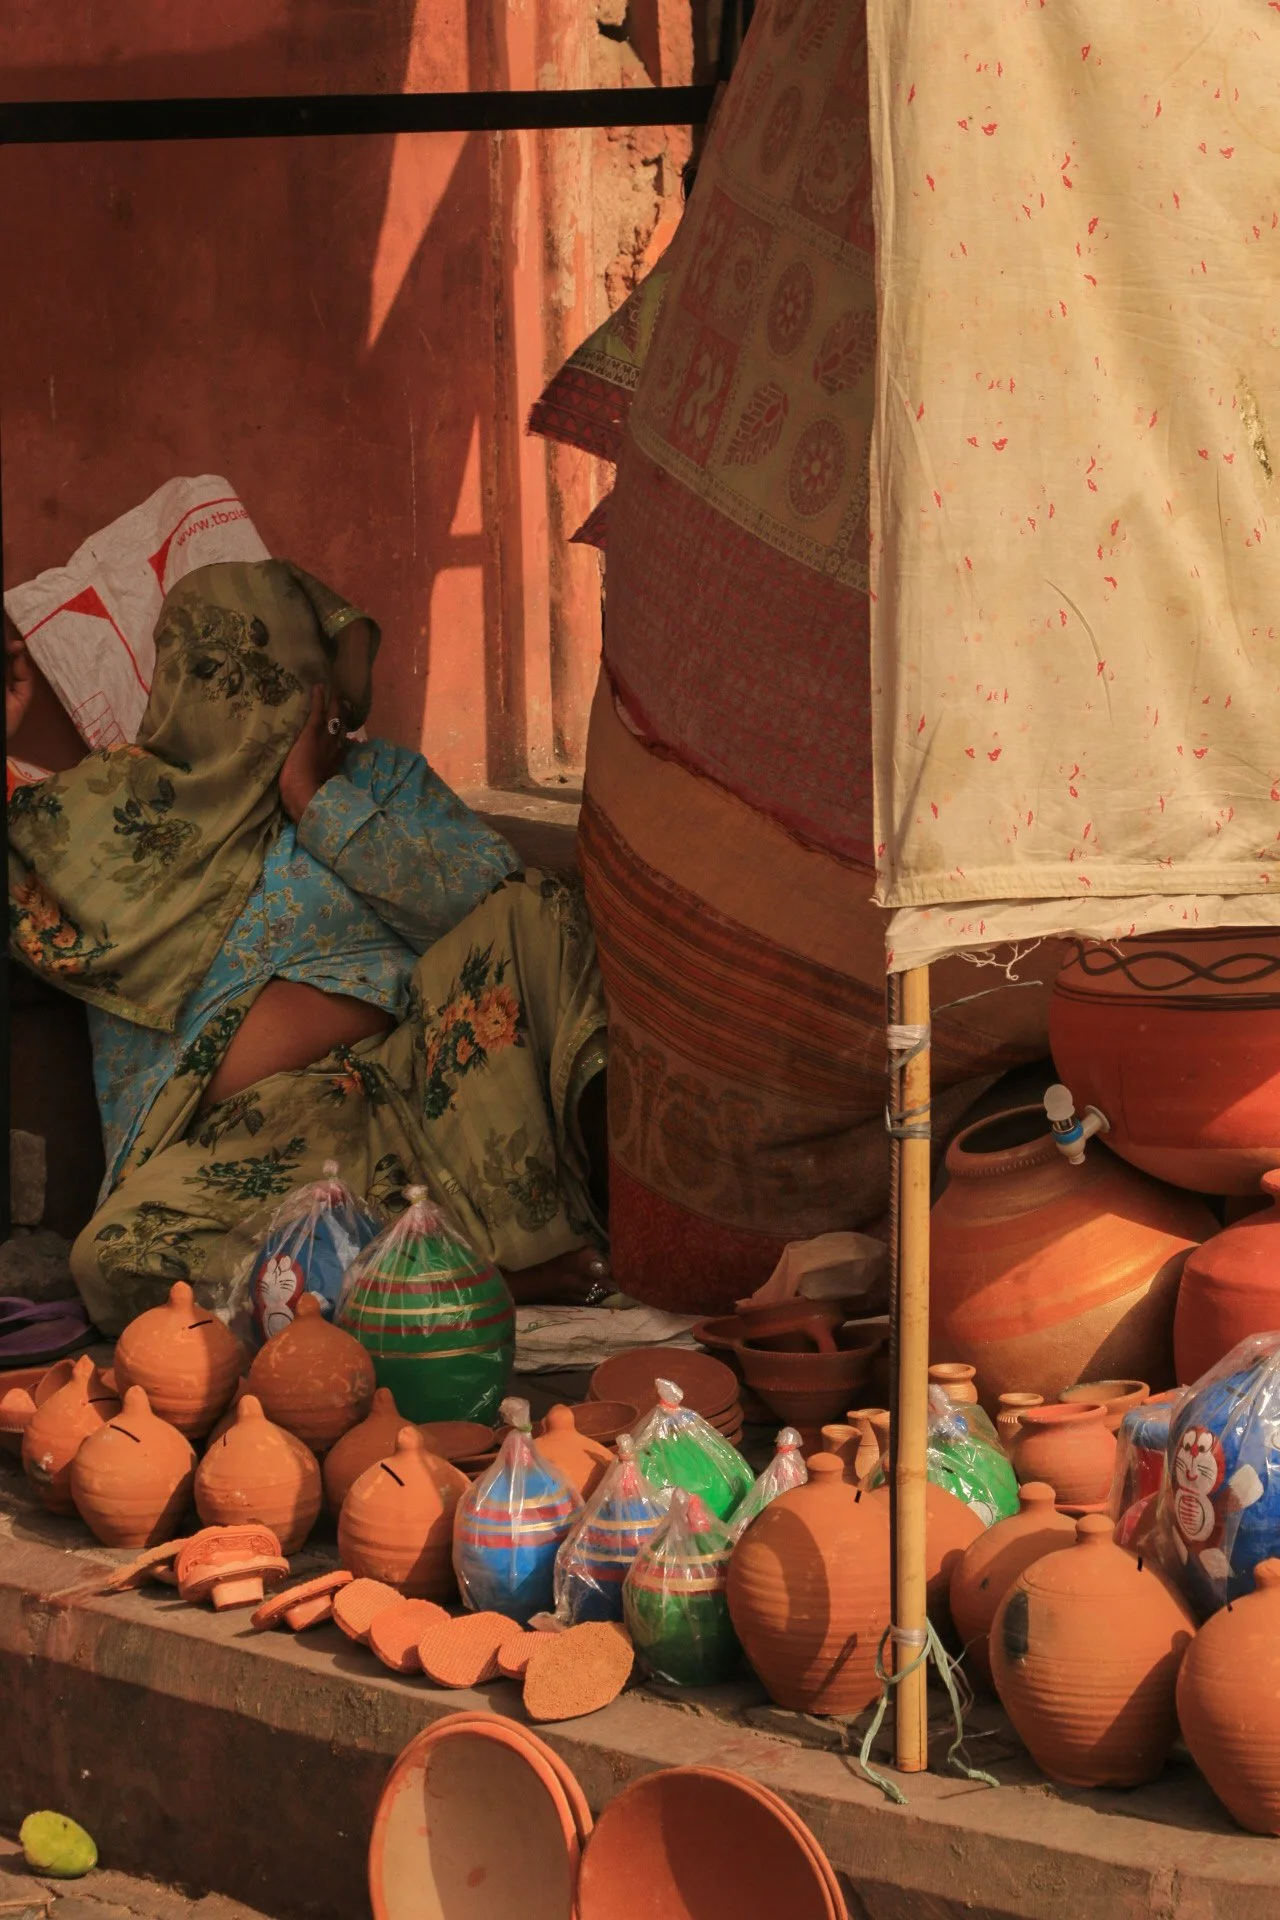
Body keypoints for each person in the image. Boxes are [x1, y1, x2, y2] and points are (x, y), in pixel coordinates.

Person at [6, 559, 611, 1334]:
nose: (246, 709)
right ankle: (458, 1283)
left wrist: (320, 803)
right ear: (175, 688)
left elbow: (483, 900)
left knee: (545, 907)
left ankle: (485, 1258)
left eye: (274, 682)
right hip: (245, 1160)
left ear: (317, 691)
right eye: (216, 679)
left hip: (427, 1100)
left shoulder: (380, 778)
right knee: (114, 1259)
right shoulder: (105, 820)